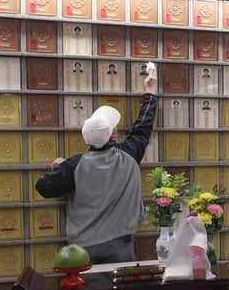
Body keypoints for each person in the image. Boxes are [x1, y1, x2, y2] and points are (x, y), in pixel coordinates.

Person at [36, 64, 158, 264]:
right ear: (113, 135)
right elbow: (142, 126)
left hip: (83, 249)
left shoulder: (74, 165)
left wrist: (55, 169)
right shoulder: (128, 155)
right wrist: (150, 93)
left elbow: (44, 188)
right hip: (121, 244)